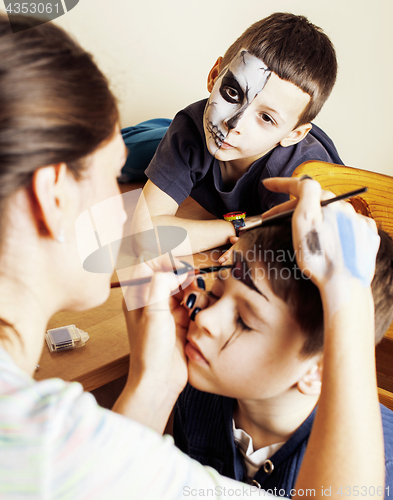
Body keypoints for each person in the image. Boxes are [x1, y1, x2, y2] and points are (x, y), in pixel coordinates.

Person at [0, 13, 385, 500]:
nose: (235, 125)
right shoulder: (62, 440)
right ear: (52, 192)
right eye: (117, 174)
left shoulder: (309, 175)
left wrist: (155, 383)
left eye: (243, 316)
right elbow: (144, 237)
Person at [173, 191, 393, 496]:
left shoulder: (379, 468)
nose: (206, 319)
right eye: (217, 291)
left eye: (244, 321)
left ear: (317, 370)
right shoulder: (195, 392)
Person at [129, 13, 343, 259]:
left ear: (294, 134)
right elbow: (145, 237)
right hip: (191, 137)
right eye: (232, 92)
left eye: (266, 118)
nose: (233, 124)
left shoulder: (300, 173)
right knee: (122, 152)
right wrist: (243, 227)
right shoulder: (191, 129)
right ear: (214, 75)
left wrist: (259, 239)